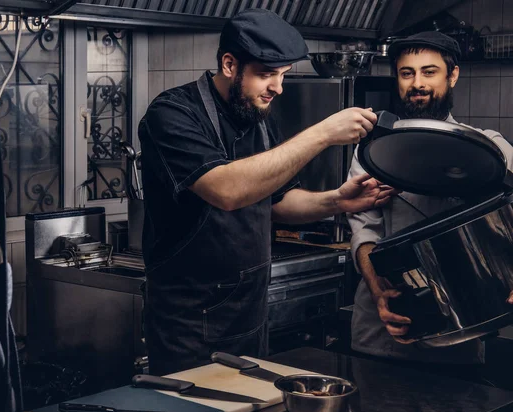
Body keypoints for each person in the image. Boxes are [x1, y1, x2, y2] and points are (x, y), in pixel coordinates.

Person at [138, 8, 397, 376]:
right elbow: (227, 189)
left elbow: (277, 202)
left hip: (250, 318)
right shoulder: (173, 114)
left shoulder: (259, 117)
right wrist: (322, 134)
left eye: (283, 74)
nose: (278, 87)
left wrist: (338, 200)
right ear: (230, 64)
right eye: (266, 74)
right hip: (188, 328)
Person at [347, 31, 513, 371]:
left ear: (452, 75)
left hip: (462, 332)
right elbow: (364, 234)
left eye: (429, 71)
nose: (417, 83)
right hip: (381, 337)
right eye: (407, 73)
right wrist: (379, 291)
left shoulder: (487, 147)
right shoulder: (375, 152)